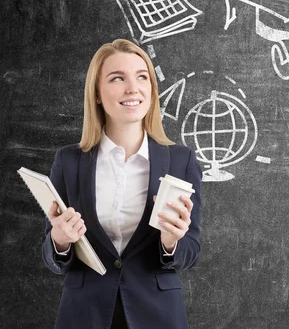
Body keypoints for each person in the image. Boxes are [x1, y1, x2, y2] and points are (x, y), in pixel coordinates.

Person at [42, 38, 202, 329]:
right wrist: (60, 240)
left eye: (142, 77)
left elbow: (191, 251)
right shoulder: (68, 162)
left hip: (157, 316)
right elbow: (52, 256)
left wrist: (171, 243)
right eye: (118, 78)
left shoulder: (181, 161)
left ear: (152, 90)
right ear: (98, 94)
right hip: (83, 315)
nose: (133, 88)